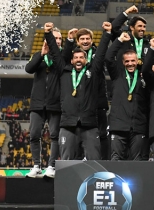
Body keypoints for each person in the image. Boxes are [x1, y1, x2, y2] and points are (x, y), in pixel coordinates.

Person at [45, 22, 110, 161]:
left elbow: (101, 53)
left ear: (86, 60)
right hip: (68, 125)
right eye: (76, 57)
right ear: (72, 60)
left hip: (90, 125)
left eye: (81, 57)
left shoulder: (93, 72)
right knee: (67, 163)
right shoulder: (64, 71)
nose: (79, 60)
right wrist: (48, 34)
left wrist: (107, 34)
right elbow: (56, 54)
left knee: (94, 162)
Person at [25, 27, 66, 177]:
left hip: (55, 104)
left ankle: (51, 166)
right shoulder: (38, 55)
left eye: (60, 39)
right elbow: (28, 69)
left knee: (55, 135)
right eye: (54, 38)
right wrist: (41, 54)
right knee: (34, 135)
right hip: (37, 103)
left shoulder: (62, 58)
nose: (57, 41)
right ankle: (36, 165)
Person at [105, 32, 149, 161]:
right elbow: (108, 57)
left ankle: (138, 182)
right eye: (127, 61)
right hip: (118, 125)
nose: (130, 64)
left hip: (138, 125)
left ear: (137, 61)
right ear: (123, 62)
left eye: (133, 61)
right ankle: (115, 182)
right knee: (116, 158)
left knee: (137, 160)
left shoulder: (144, 76)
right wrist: (118, 40)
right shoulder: (117, 74)